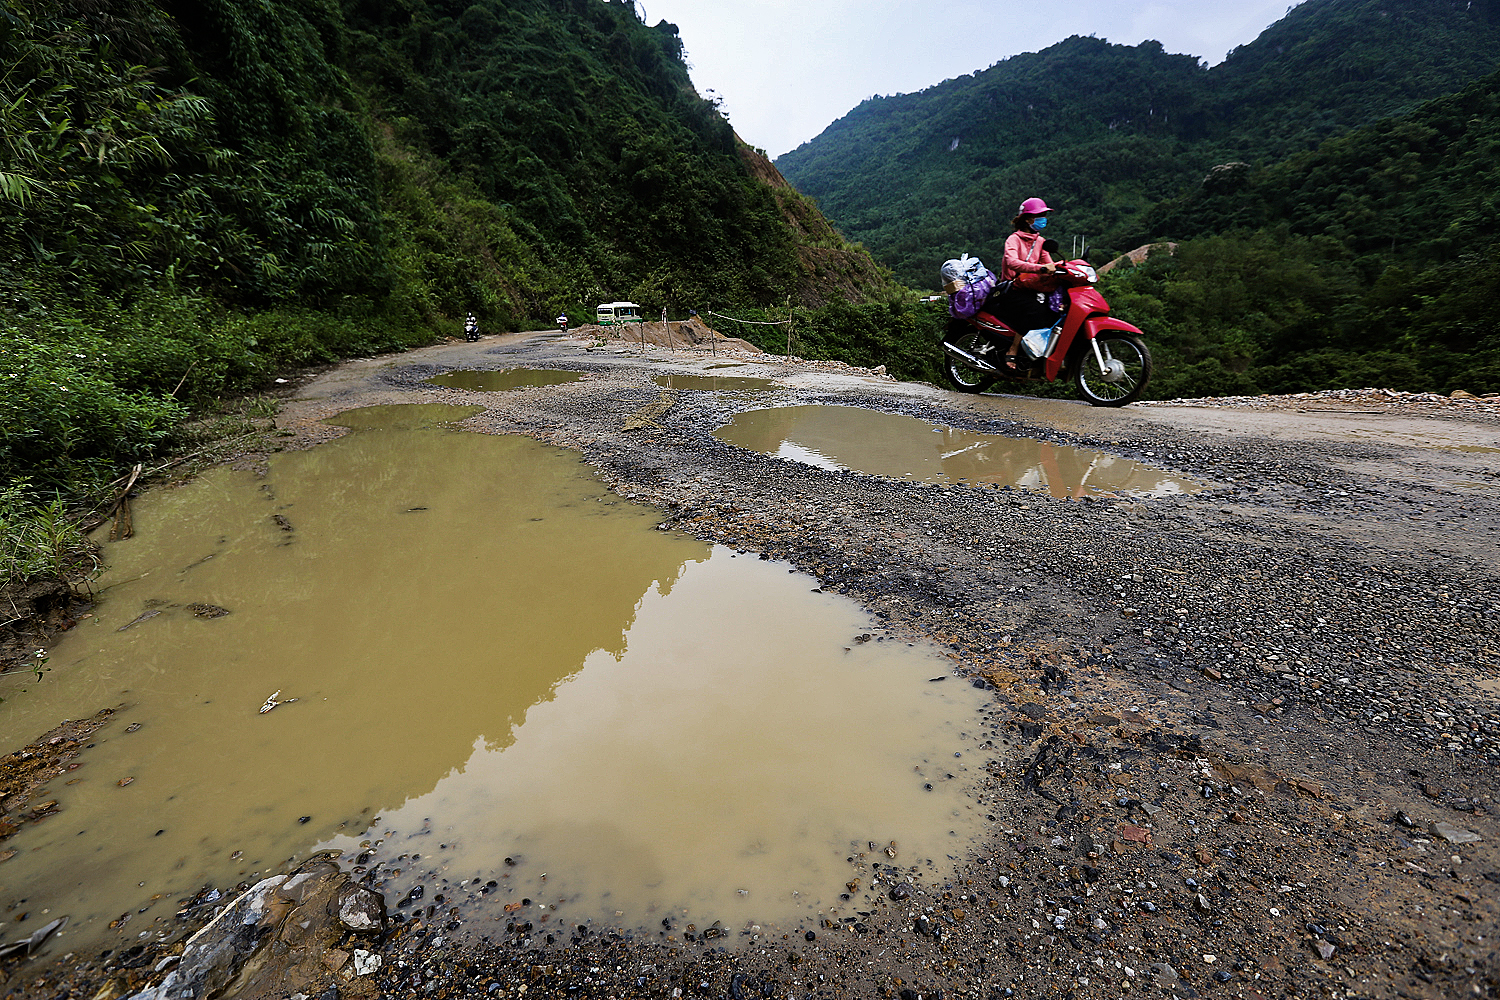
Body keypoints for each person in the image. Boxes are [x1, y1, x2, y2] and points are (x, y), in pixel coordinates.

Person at [992, 197, 1062, 369]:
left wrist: (1065, 267)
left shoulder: (1040, 241)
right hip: (1010, 287)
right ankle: (1013, 350)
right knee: (1034, 309)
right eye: (1040, 215)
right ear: (1027, 219)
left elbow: (1049, 263)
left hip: (1029, 286)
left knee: (1054, 308)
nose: (1043, 219)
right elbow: (1012, 262)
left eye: (1044, 215)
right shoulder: (1013, 239)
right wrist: (1040, 269)